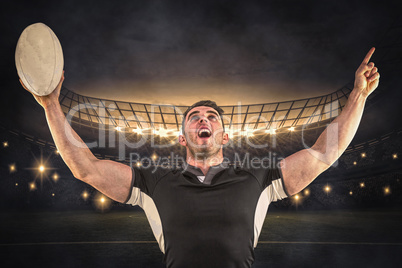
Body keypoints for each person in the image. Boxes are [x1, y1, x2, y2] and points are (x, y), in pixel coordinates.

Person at [20, 48, 380, 267]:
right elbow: (85, 167)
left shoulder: (261, 178)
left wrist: (358, 96)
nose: (203, 120)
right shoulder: (152, 182)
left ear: (225, 136)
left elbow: (322, 152)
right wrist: (51, 105)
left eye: (212, 118)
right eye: (194, 118)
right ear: (182, 137)